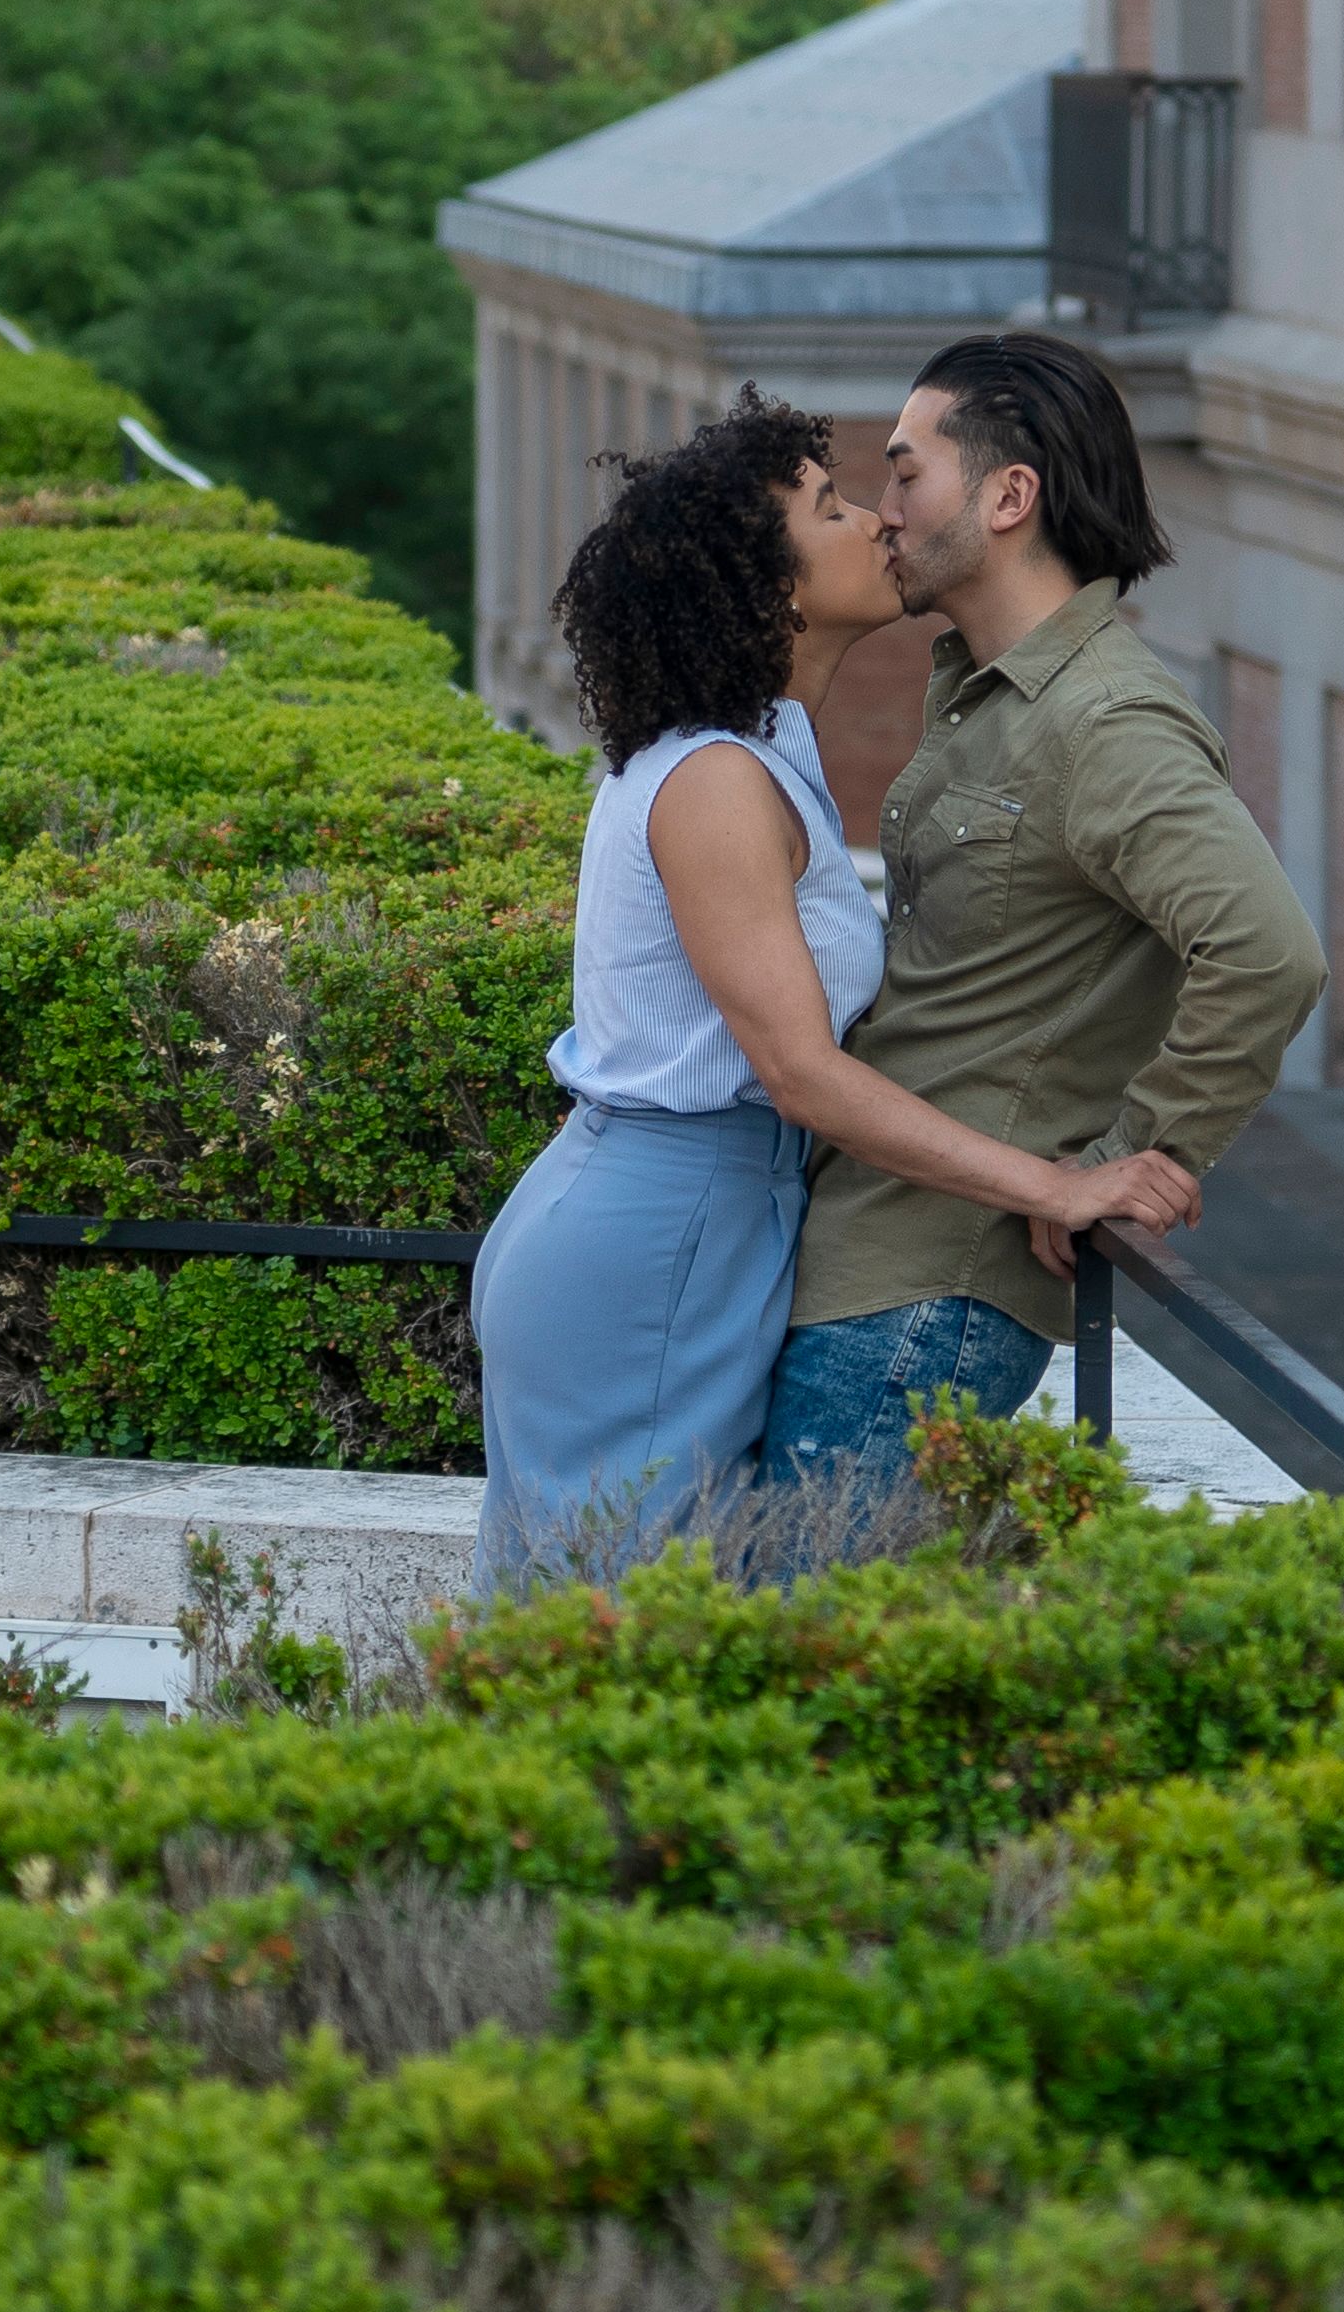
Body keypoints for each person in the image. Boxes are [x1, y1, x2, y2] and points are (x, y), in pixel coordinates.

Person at [473, 387, 1201, 1584]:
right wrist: (1051, 1184)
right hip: (657, 1230)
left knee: (628, 1618)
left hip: (702, 1220)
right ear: (766, 586)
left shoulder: (763, 750)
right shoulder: (713, 779)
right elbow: (802, 1074)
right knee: (614, 1629)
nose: (878, 521)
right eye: (832, 506)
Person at [758, 330, 1323, 1478]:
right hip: (864, 1262)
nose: (883, 512)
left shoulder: (1106, 719)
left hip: (928, 1296)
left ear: (1010, 494)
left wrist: (1127, 1157)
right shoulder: (986, 696)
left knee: (811, 1650)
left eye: (908, 472)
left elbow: (1267, 953)